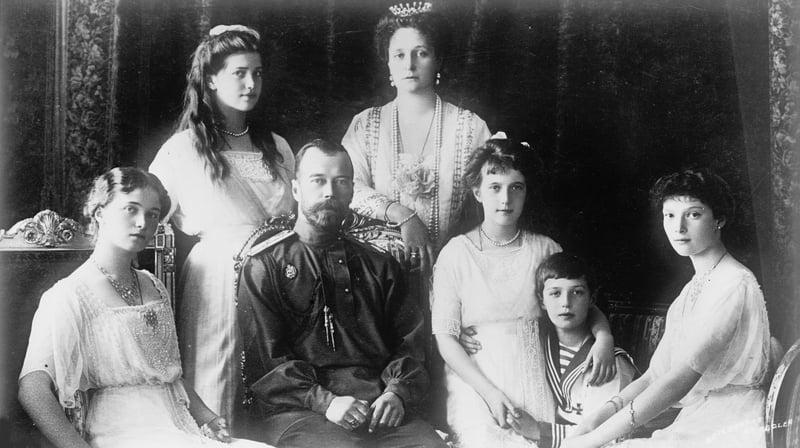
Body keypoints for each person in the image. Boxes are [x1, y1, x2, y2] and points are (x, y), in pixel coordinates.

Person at [17, 167, 269, 448]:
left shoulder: (153, 285)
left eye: (152, 214)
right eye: (130, 209)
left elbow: (168, 372)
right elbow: (32, 389)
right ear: (100, 212)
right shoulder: (68, 295)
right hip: (119, 431)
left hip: (177, 424)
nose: (142, 223)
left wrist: (208, 417)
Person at [236, 139, 447, 448]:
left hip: (379, 410)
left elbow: (410, 345)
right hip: (299, 412)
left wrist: (396, 392)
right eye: (318, 181)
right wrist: (326, 402)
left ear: (351, 191)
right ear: (296, 189)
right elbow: (267, 361)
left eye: (341, 182)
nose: (329, 192)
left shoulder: (380, 265)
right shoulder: (265, 266)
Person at [148, 24, 295, 422]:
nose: (251, 83)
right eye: (239, 73)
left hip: (280, 276)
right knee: (221, 376)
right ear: (211, 79)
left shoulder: (277, 147)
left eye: (258, 73)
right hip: (218, 278)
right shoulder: (183, 149)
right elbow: (148, 213)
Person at [562, 169, 771, 448]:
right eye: (669, 215)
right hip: (697, 420)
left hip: (734, 425)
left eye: (693, 214)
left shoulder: (733, 284)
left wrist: (594, 440)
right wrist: (594, 421)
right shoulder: (691, 291)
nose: (679, 227)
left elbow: (677, 382)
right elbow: (654, 376)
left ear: (719, 219)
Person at [431, 136, 617, 448]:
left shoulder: (544, 248)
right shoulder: (456, 253)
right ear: (477, 192)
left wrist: (605, 337)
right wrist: (490, 394)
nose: (506, 198)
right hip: (475, 380)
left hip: (537, 373)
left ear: (527, 192)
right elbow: (445, 338)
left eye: (516, 187)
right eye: (495, 187)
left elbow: (577, 301)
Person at [341, 1, 492, 272]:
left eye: (421, 53)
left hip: (450, 267)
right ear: (387, 62)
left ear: (438, 60)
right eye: (399, 55)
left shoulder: (470, 127)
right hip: (377, 271)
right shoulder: (365, 125)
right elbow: (349, 186)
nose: (409, 65)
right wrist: (402, 215)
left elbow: (494, 190)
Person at [508, 252, 637, 448]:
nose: (565, 303)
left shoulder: (609, 361)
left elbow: (606, 434)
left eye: (577, 292)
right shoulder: (539, 344)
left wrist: (538, 430)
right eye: (555, 293)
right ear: (541, 300)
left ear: (591, 298)